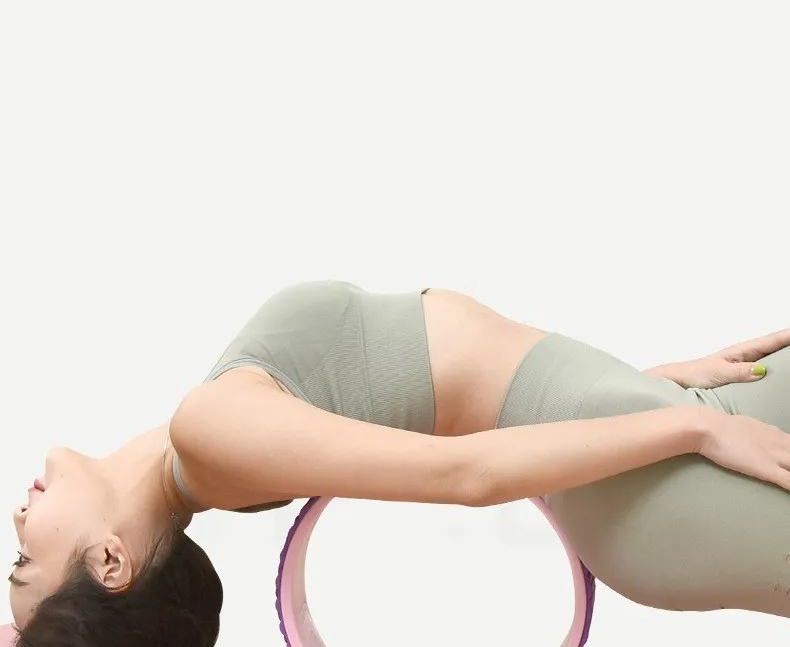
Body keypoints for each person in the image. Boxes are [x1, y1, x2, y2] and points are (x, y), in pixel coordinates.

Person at [8, 281, 790, 646]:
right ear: (110, 560)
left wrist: (642, 385)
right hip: (660, 478)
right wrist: (687, 425)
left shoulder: (221, 465)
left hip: (647, 439)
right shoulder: (212, 435)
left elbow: (459, 398)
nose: (17, 515)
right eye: (23, 562)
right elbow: (468, 472)